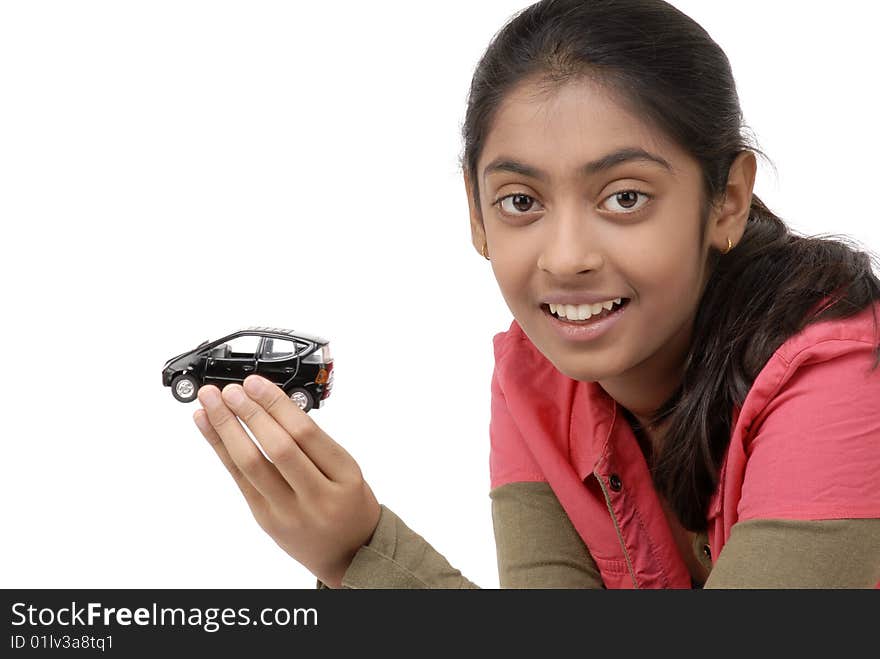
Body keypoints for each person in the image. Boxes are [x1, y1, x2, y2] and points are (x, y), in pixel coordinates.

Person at [191, 0, 880, 588]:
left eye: (625, 197)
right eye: (521, 200)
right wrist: (351, 544)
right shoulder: (536, 381)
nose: (567, 257)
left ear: (727, 199)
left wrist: (362, 556)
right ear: (475, 212)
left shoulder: (842, 375)